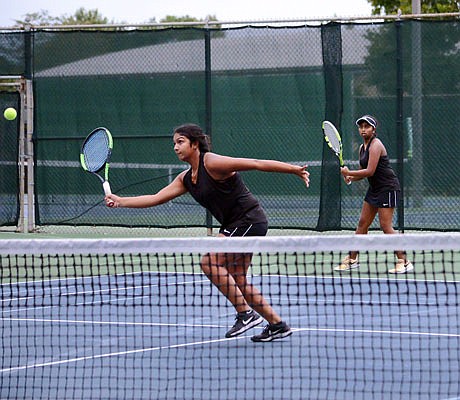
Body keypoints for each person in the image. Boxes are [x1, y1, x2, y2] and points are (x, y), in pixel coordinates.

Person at [105, 123, 310, 342]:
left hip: (248, 219)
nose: (175, 147)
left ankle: (246, 314)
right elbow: (156, 198)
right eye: (174, 143)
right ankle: (277, 325)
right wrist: (120, 201)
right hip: (234, 224)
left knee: (209, 262)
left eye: (180, 142)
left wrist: (293, 169)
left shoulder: (211, 162)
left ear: (195, 144)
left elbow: (256, 163)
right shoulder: (186, 178)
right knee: (238, 278)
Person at [336, 115, 413, 274]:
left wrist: (349, 171)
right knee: (362, 224)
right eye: (361, 126)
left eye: (367, 126)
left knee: (386, 226)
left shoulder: (376, 145)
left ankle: (403, 261)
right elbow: (364, 174)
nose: (363, 129)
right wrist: (351, 177)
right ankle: (352, 258)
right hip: (375, 189)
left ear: (373, 129)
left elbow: (370, 170)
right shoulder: (362, 148)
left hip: (388, 188)